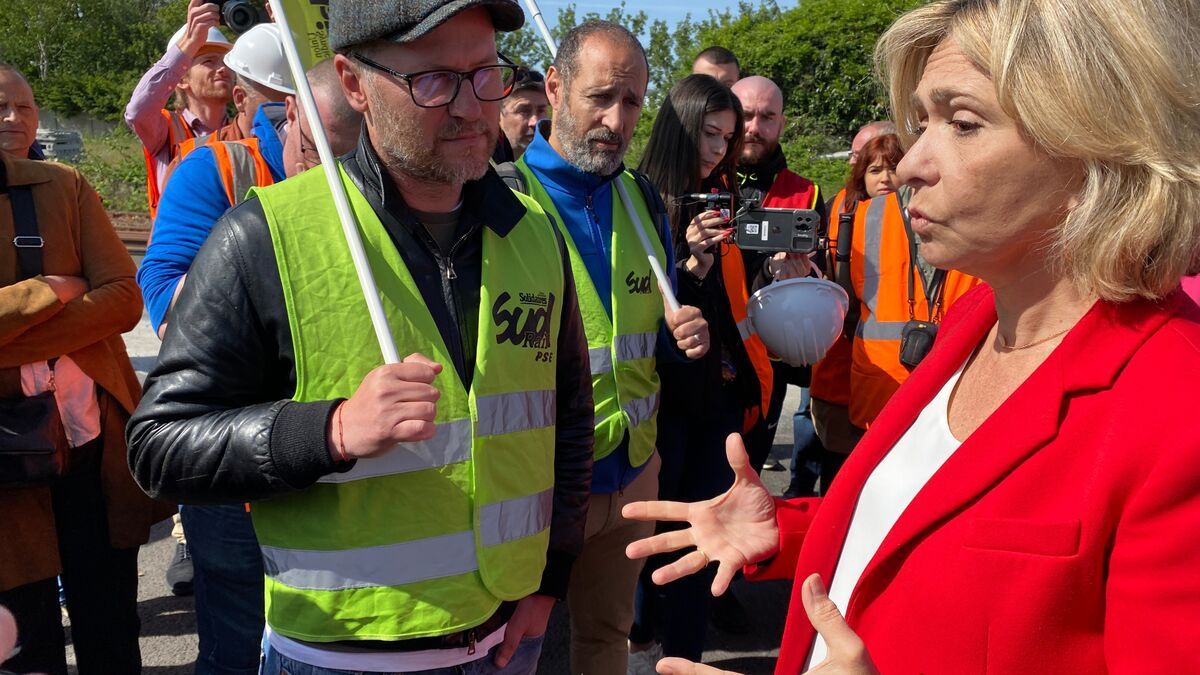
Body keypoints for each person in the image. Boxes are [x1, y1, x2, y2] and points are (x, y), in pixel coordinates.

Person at [626, 0, 1200, 672]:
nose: (907, 167)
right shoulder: (976, 321)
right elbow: (941, 520)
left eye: (961, 123)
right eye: (919, 122)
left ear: (1099, 144)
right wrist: (788, 526)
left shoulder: (1176, 408)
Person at [127, 1, 594, 673]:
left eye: (486, 73)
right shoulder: (266, 237)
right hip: (337, 656)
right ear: (352, 83)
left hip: (504, 644)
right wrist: (333, 430)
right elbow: (158, 446)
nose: (471, 108)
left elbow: (566, 420)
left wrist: (551, 582)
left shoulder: (534, 233)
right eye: (433, 80)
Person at [135, 59, 358, 675]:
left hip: (332, 462)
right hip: (234, 463)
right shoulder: (216, 170)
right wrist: (242, 304)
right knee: (236, 641)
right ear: (292, 119)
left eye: (351, 161)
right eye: (320, 153)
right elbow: (158, 279)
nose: (336, 177)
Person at [512, 20, 710, 675]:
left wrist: (684, 338)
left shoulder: (643, 198)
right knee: (513, 651)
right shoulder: (502, 199)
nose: (617, 119)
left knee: (605, 641)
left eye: (631, 102)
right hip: (535, 484)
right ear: (554, 88)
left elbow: (654, 333)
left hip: (632, 474)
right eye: (600, 97)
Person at [0, 74, 174, 673]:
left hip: (90, 437)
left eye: (24, 105)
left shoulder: (66, 187)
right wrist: (46, 291)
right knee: (25, 640)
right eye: (0, 106)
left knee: (109, 622)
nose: (14, 117)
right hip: (6, 457)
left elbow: (125, 299)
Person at [625, 74, 774, 672]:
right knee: (651, 536)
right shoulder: (638, 200)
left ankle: (684, 654)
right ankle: (642, 631)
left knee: (703, 535)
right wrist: (687, 264)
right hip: (659, 401)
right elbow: (653, 313)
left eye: (728, 138)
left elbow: (727, 303)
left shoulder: (727, 200)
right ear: (681, 129)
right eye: (709, 134)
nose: (719, 149)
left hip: (719, 393)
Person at [730, 75, 827, 474]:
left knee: (747, 479)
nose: (754, 128)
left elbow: (823, 281)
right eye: (746, 115)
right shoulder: (700, 182)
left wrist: (802, 274)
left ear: (781, 124)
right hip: (707, 356)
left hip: (770, 364)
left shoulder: (808, 194)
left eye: (767, 117)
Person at [804, 132, 906, 492]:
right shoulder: (839, 212)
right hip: (840, 369)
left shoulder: (919, 220)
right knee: (839, 479)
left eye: (893, 168)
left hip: (895, 377)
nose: (885, 178)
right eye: (875, 169)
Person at [125, 0, 234, 216]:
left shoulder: (243, 129)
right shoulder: (166, 130)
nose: (222, 69)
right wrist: (190, 43)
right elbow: (137, 111)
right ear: (182, 80)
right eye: (210, 61)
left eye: (226, 62)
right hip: (183, 247)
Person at [499, 68, 548, 158]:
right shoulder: (477, 167)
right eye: (524, 111)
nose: (535, 122)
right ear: (498, 116)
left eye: (541, 110)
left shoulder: (562, 164)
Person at [0, 65, 44, 160]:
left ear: (36, 116)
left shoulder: (60, 174)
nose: (14, 118)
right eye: (0, 106)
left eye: (23, 107)